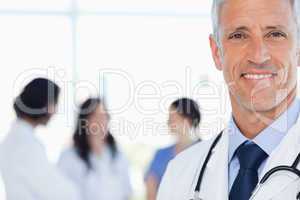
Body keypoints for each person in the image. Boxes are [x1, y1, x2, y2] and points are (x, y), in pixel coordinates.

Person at [157, 0, 300, 200]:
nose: (258, 56)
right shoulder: (180, 174)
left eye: (275, 34)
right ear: (217, 52)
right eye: (239, 35)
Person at [0, 78, 80, 200]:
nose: (55, 111)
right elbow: (59, 192)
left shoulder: (15, 138)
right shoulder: (25, 145)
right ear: (42, 103)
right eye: (54, 104)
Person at [58, 98, 132, 200]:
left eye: (103, 116)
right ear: (84, 122)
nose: (100, 121)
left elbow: (126, 194)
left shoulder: (119, 156)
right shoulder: (68, 157)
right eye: (94, 116)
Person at [144, 98, 201, 200]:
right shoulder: (161, 155)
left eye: (172, 118)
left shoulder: (206, 152)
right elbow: (151, 188)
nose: (168, 122)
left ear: (187, 120)